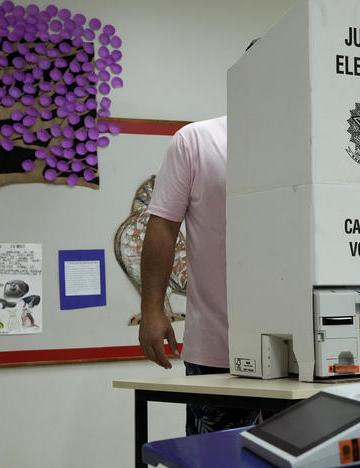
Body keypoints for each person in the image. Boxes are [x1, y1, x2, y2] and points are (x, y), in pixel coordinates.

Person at [138, 116, 263, 434]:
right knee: (214, 457)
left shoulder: (308, 134)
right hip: (217, 345)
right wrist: (152, 310)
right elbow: (163, 225)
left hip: (303, 347)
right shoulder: (196, 139)